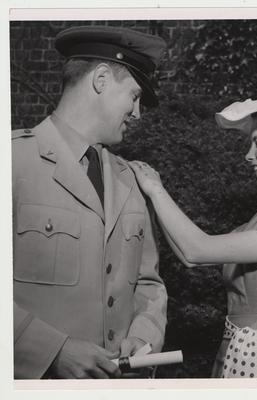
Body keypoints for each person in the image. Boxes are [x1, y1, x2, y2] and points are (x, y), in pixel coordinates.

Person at [130, 93, 257, 378]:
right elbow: (192, 257)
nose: (248, 155)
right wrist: (152, 199)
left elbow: (197, 249)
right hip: (232, 358)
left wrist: (155, 189)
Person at [12, 25, 168, 379]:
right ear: (100, 79)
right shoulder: (13, 162)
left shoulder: (130, 179)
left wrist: (143, 336)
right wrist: (51, 351)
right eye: (134, 96)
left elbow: (149, 284)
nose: (138, 112)